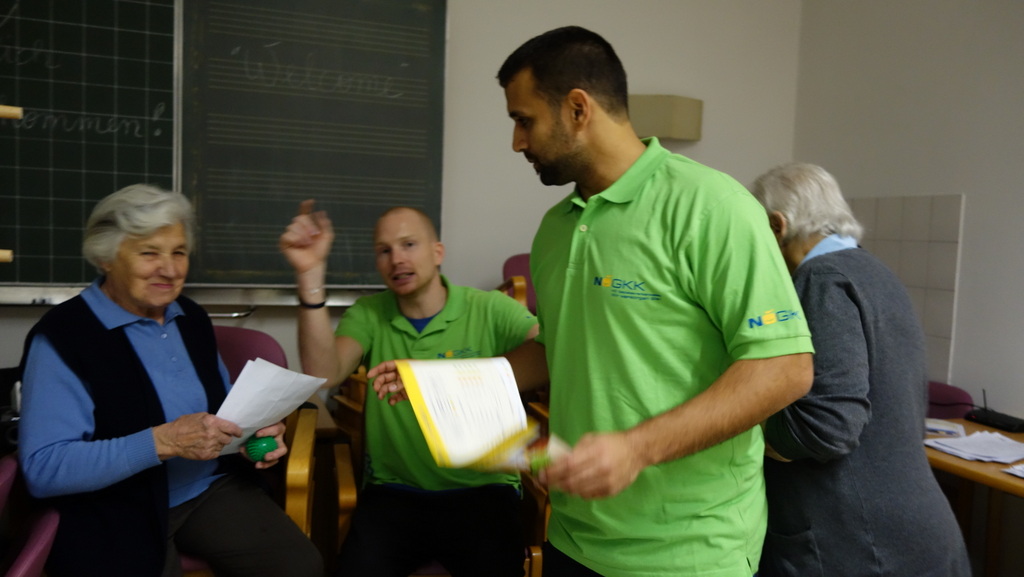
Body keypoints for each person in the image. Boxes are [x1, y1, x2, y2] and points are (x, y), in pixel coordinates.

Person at [496, 25, 817, 577]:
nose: (517, 142)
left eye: (524, 120)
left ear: (578, 109)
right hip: (573, 536)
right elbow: (558, 347)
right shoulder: (554, 229)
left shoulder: (713, 206)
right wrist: (448, 386)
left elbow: (784, 368)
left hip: (690, 551)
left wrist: (636, 449)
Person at [17, 185, 323, 577]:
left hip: (207, 488)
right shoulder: (63, 337)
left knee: (300, 566)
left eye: (179, 252)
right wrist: (162, 442)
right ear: (105, 258)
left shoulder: (190, 317)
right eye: (149, 253)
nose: (170, 269)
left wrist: (251, 436)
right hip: (114, 504)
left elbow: (222, 413)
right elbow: (43, 470)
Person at [278, 201, 539, 577]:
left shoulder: (490, 308)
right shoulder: (369, 313)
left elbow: (549, 354)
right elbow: (324, 373)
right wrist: (309, 274)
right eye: (384, 250)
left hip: (483, 490)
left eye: (409, 245)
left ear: (437, 252)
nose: (396, 259)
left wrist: (442, 379)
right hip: (394, 493)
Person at [750, 162, 971, 576]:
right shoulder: (874, 271)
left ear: (777, 226)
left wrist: (741, 417)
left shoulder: (821, 279)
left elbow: (826, 428)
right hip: (912, 530)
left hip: (863, 543)